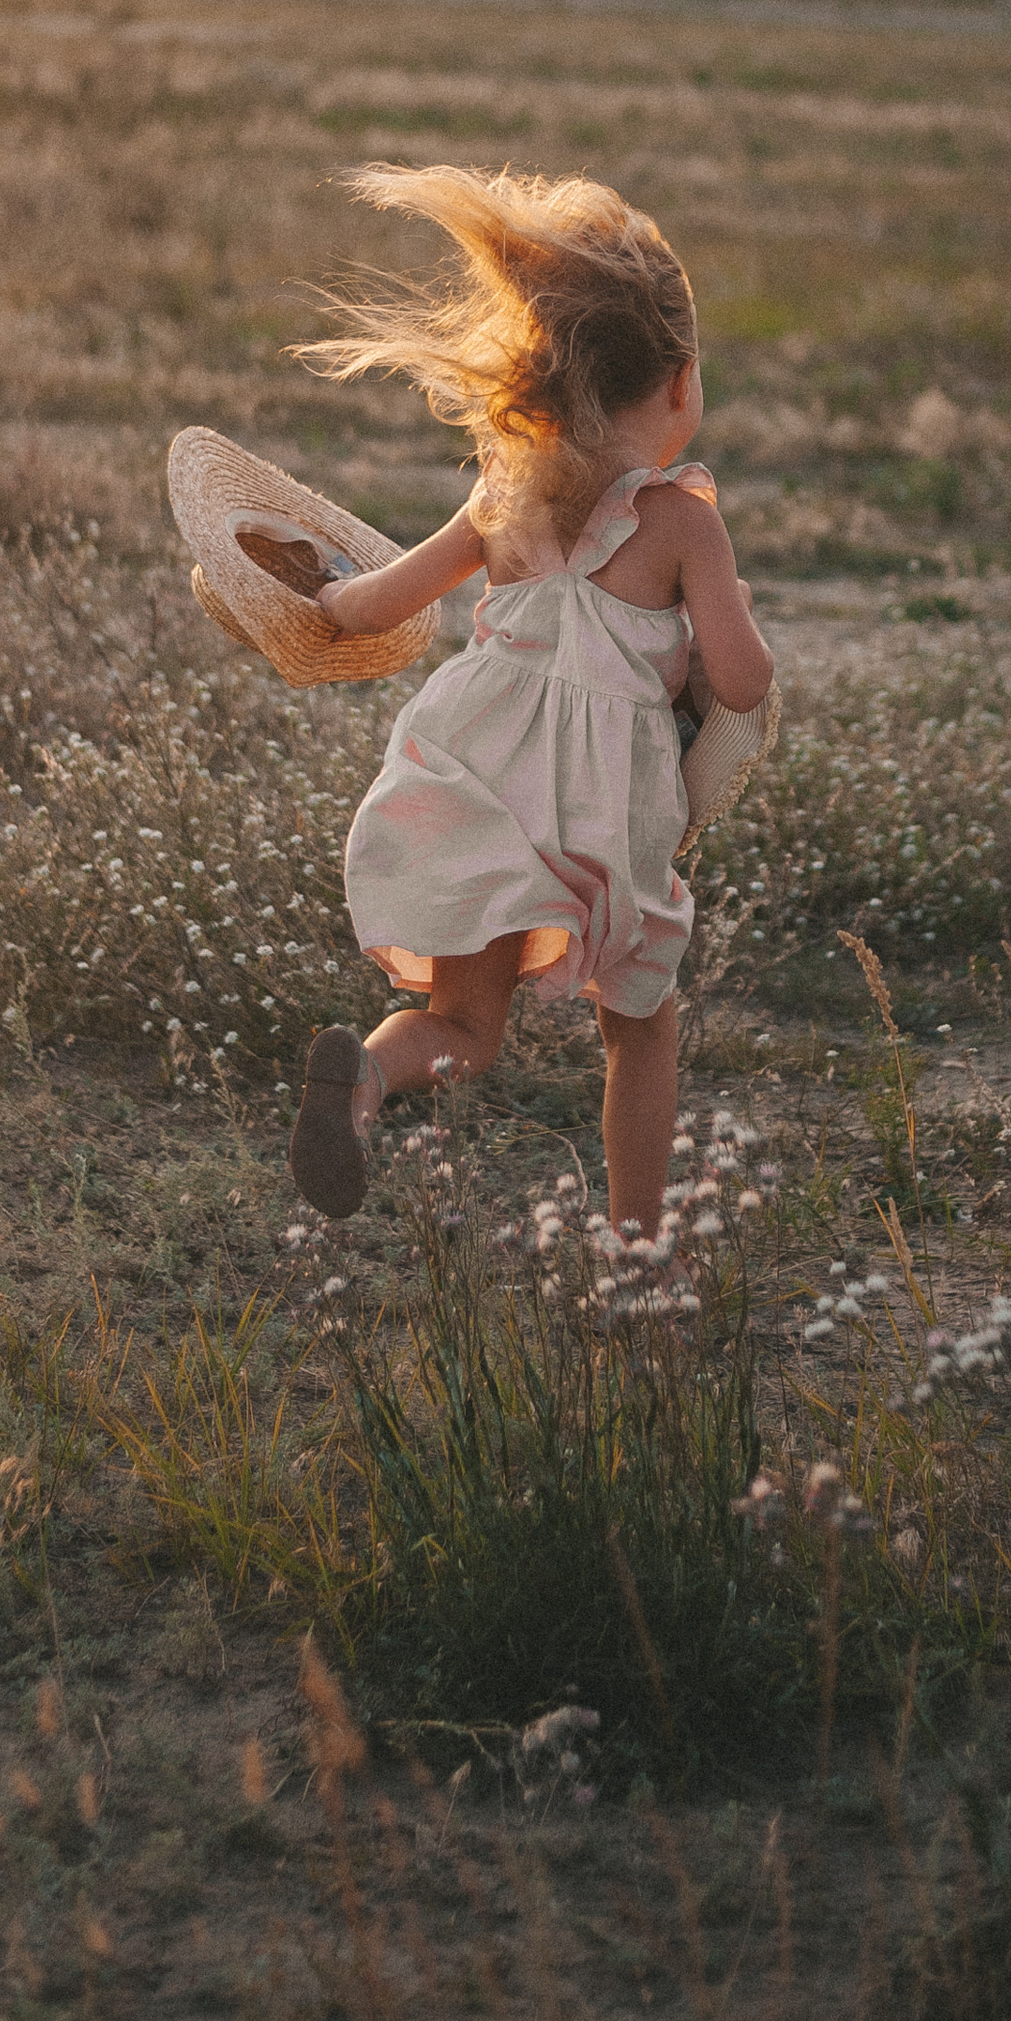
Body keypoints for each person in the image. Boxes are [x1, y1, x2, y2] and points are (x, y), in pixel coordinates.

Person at [280, 165, 773, 1235]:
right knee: (639, 1027)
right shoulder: (683, 522)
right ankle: (636, 1252)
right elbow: (743, 683)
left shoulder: (498, 500)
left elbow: (371, 607)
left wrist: (311, 584)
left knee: (460, 1023)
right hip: (603, 819)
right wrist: (693, 652)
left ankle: (365, 1079)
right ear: (679, 383)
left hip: (475, 788)